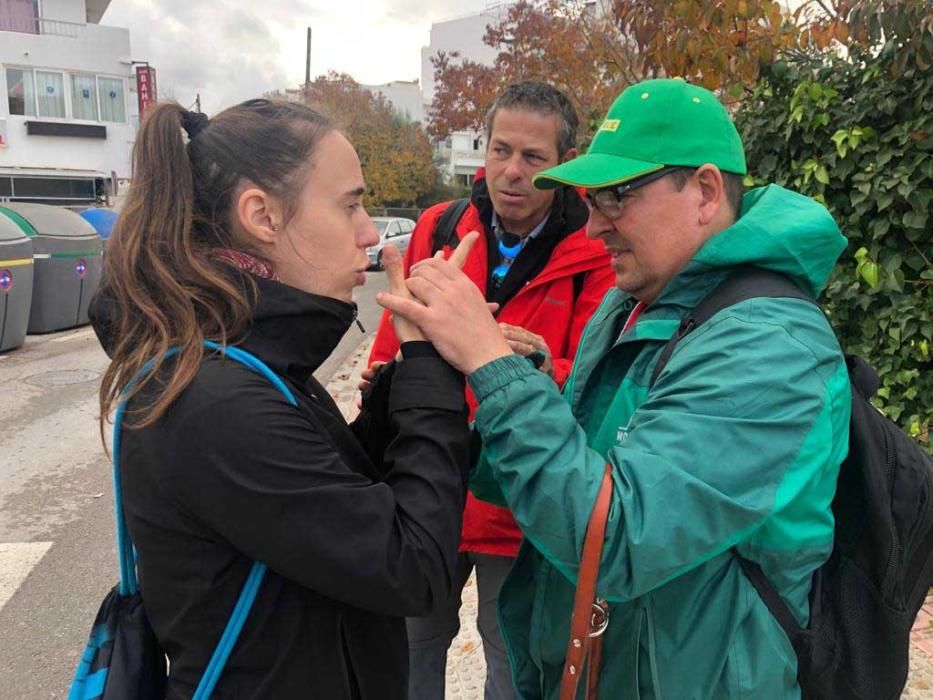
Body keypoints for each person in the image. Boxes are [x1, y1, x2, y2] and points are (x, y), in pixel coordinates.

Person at [378, 78, 852, 699]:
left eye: (618, 197)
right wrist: (448, 381)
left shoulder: (772, 347)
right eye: (594, 199)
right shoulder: (634, 300)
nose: (596, 226)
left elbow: (621, 540)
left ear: (705, 191)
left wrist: (492, 363)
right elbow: (570, 472)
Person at [89, 99, 478, 699]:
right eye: (349, 204)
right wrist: (429, 371)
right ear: (262, 216)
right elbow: (413, 568)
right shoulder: (216, 400)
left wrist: (413, 373)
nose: (371, 232)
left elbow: (334, 508)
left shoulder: (242, 358)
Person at [367, 81, 614, 700]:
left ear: (565, 165)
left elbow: (593, 379)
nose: (511, 171)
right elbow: (396, 331)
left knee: (512, 649)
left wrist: (522, 360)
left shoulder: (598, 249)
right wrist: (381, 383)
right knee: (409, 646)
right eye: (500, 149)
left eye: (534, 158)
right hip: (428, 483)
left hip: (519, 495)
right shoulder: (440, 225)